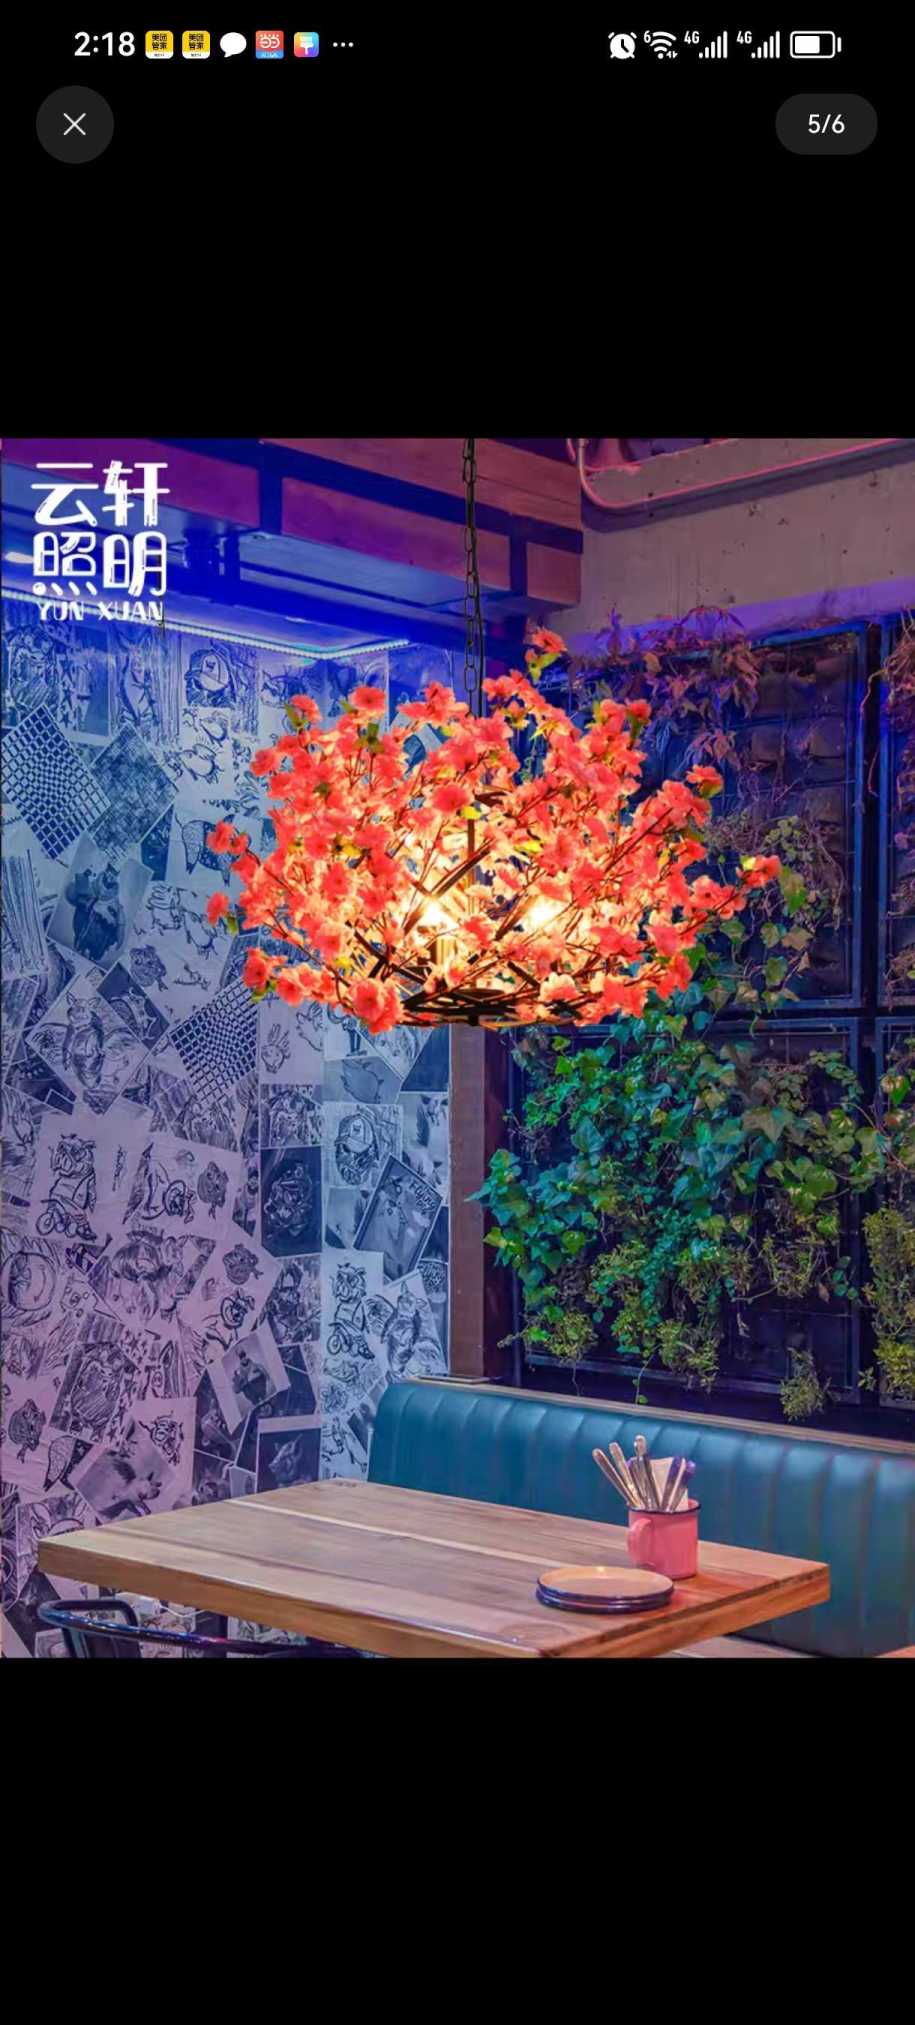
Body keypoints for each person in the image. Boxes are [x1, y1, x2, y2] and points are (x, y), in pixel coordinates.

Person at [64, 860, 124, 966]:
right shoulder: (94, 884)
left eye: (114, 874)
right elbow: (75, 894)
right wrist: (84, 878)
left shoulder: (115, 898)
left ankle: (90, 954)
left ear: (117, 876)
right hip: (85, 920)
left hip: (99, 934)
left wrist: (117, 921)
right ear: (106, 870)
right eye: (110, 871)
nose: (111, 876)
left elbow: (118, 921)